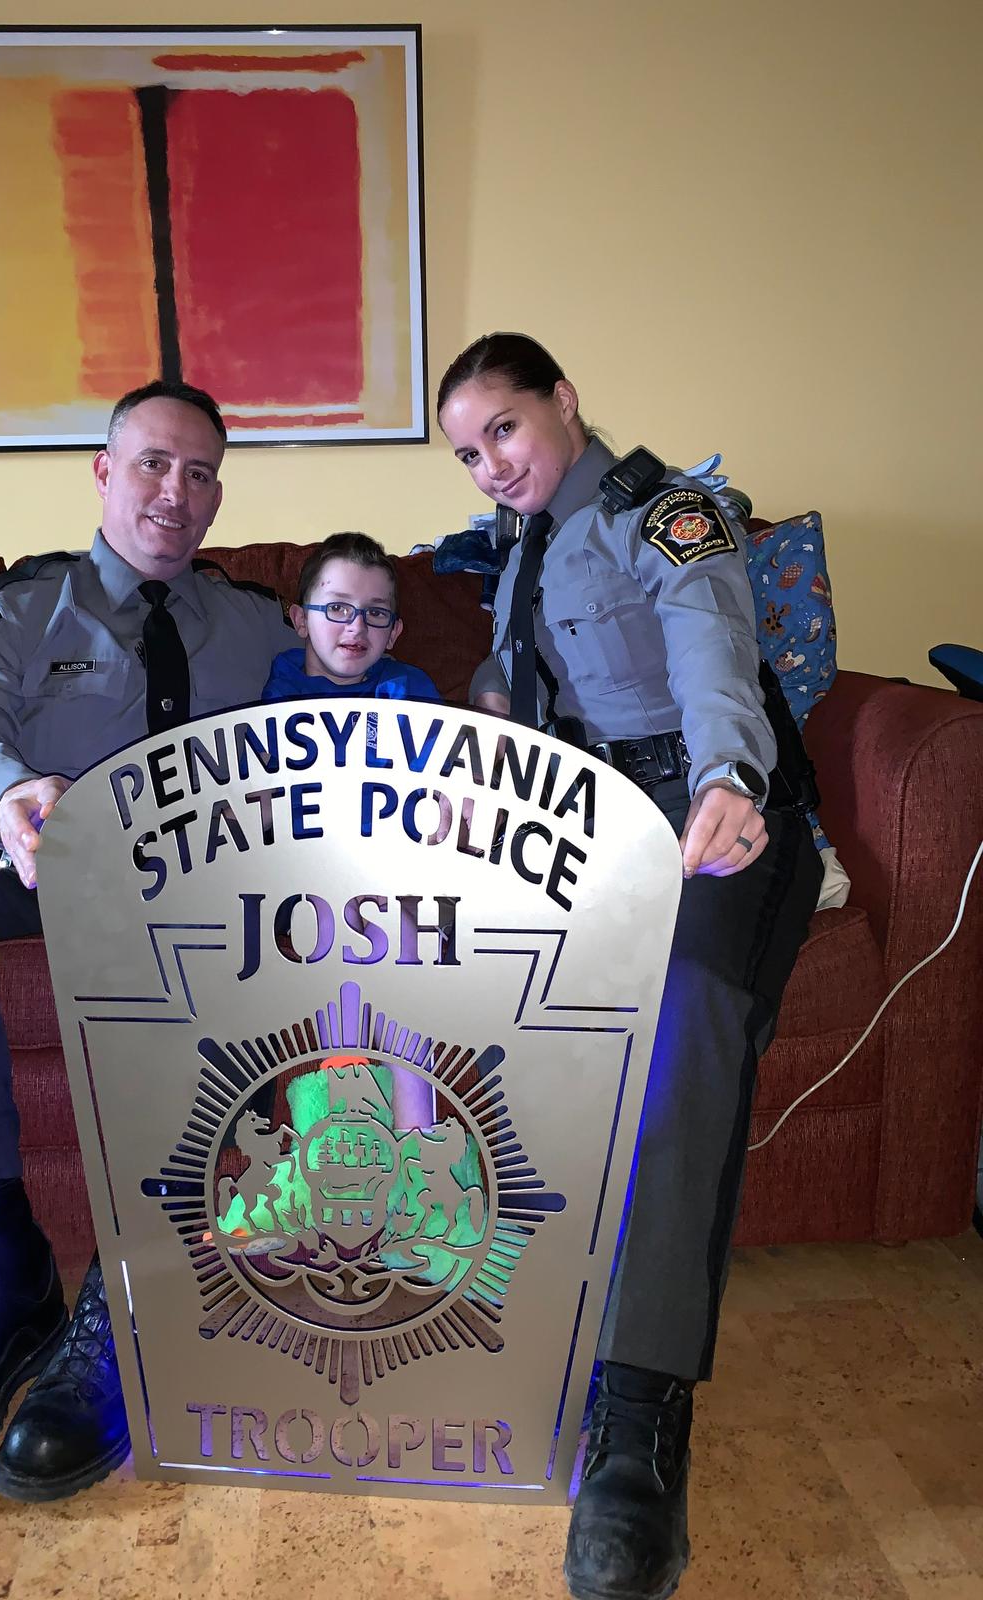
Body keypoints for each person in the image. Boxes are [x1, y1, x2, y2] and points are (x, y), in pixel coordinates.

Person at [0, 380, 296, 1510]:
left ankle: (134, 1283)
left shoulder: (265, 620)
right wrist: (12, 793)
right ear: (102, 471)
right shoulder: (19, 605)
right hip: (26, 875)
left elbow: (360, 708)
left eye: (202, 472)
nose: (177, 494)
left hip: (187, 890)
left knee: (242, 908)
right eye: (152, 464)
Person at [437, 333, 822, 1600]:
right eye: (466, 452)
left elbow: (711, 647)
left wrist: (729, 775)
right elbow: (526, 693)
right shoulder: (516, 555)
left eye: (502, 428)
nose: (489, 464)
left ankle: (640, 1419)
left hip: (714, 809)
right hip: (583, 821)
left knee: (690, 1017)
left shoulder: (671, 510)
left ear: (564, 402)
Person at [262, 530, 440, 702]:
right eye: (337, 607)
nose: (357, 626)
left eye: (375, 612)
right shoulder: (278, 698)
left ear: (393, 633)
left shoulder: (412, 691)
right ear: (302, 620)